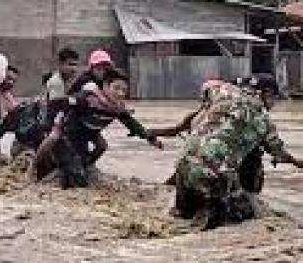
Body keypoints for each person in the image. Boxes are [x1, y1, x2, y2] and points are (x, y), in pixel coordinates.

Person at [171, 77, 303, 230]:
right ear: (266, 94)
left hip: (182, 165)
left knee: (180, 218)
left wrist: (208, 108)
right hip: (214, 174)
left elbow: (207, 84)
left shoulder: (224, 91)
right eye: (274, 98)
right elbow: (280, 153)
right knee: (244, 219)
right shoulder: (265, 121)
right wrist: (297, 162)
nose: (274, 104)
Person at [33, 70, 162, 188]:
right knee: (78, 180)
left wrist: (151, 138)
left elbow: (132, 123)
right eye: (116, 88)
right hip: (67, 134)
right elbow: (57, 103)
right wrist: (49, 125)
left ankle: (83, 166)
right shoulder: (88, 99)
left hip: (88, 133)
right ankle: (34, 167)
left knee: (102, 146)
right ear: (105, 86)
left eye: (124, 90)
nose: (120, 94)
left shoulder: (117, 108)